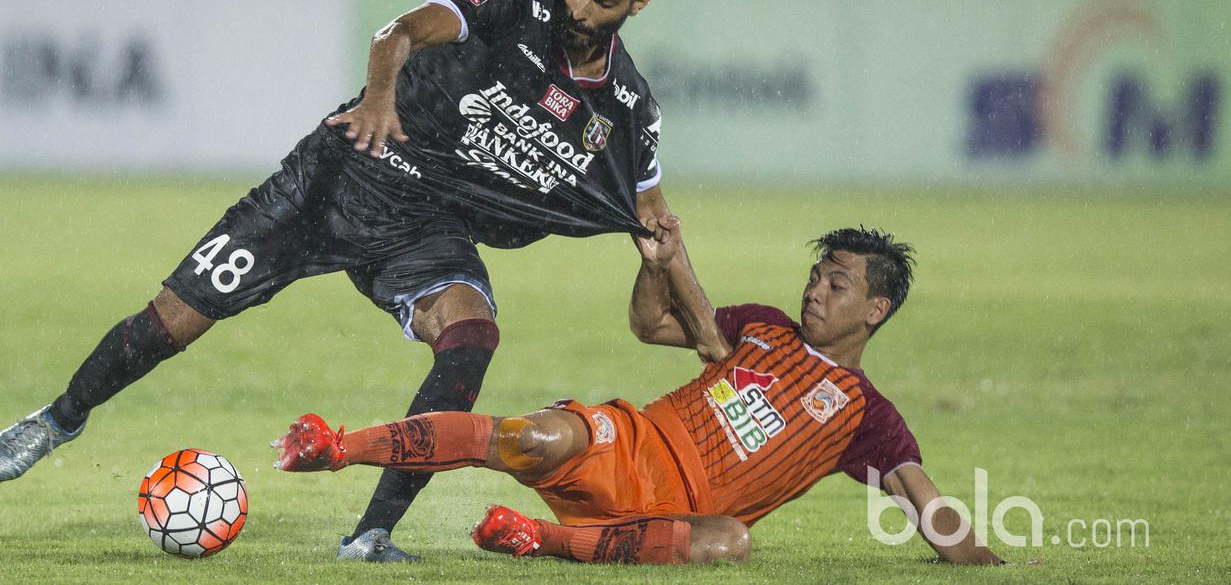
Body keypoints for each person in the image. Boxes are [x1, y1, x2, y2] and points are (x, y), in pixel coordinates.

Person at [0, 0, 726, 561]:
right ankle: (56, 422)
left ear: (638, 3)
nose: (579, 8)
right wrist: (380, 99)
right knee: (173, 321)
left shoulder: (626, 109)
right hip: (333, 178)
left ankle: (371, 535)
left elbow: (656, 226)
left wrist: (712, 343)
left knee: (472, 335)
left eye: (602, 1)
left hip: (423, 225)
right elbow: (398, 32)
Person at [271, 221, 1004, 566]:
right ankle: (337, 446)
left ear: (875, 309)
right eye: (815, 277)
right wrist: (655, 263)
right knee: (531, 436)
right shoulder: (761, 325)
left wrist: (982, 560)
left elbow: (924, 502)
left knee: (732, 542)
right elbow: (651, 323)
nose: (815, 291)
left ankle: (539, 541)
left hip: (677, 519)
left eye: (836, 284)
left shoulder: (866, 417)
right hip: (628, 445)